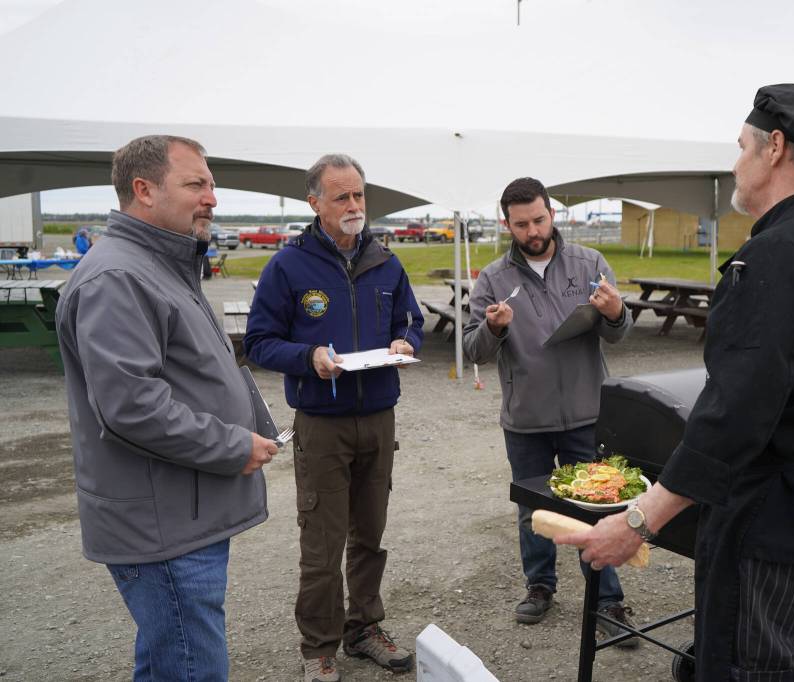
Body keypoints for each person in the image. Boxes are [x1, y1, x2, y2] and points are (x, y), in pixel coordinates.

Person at [560, 84, 794, 681]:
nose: (734, 162)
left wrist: (639, 519)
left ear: (774, 147)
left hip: (776, 523)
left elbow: (735, 415)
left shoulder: (777, 254)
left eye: (741, 146)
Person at [56, 135, 279, 681]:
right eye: (196, 184)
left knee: (169, 662)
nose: (212, 198)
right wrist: (233, 444)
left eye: (211, 184)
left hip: (181, 514)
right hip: (163, 527)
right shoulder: (120, 277)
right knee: (189, 667)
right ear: (144, 190)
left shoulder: (161, 262)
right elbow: (132, 407)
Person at [244, 153, 424, 682]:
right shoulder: (288, 266)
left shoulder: (386, 262)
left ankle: (363, 629)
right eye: (341, 196)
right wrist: (307, 357)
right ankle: (318, 647)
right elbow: (258, 341)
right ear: (314, 202)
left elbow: (410, 321)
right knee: (321, 544)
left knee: (370, 533)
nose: (353, 206)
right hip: (321, 422)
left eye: (359, 195)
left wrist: (404, 342)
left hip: (378, 416)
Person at [463, 177, 639, 646]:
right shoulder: (492, 278)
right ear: (507, 224)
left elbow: (619, 334)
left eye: (538, 219)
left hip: (587, 412)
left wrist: (616, 311)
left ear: (552, 214)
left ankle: (607, 601)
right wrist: (495, 328)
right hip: (526, 419)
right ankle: (540, 586)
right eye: (521, 224)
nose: (532, 230)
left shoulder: (589, 263)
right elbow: (472, 349)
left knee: (597, 507)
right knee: (532, 510)